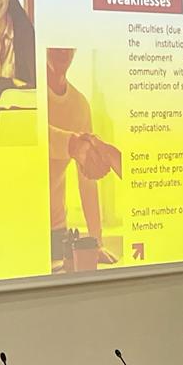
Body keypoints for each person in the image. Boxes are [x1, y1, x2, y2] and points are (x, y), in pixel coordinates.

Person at [46, 47, 118, 268]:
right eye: (55, 45)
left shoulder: (80, 105)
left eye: (67, 46)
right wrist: (73, 144)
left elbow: (87, 179)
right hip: (17, 229)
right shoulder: (28, 96)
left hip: (57, 234)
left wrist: (96, 242)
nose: (62, 51)